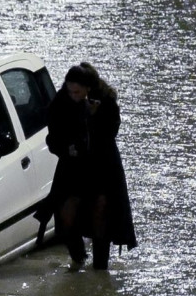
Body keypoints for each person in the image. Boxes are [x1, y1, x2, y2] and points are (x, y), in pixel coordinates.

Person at [43, 62, 137, 270]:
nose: (73, 95)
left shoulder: (105, 101)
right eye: (70, 91)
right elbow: (53, 137)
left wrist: (93, 116)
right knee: (66, 214)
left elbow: (111, 131)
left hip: (101, 167)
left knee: (101, 212)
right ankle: (78, 257)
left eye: (77, 92)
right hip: (73, 168)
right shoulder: (61, 103)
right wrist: (67, 149)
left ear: (87, 88)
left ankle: (100, 268)